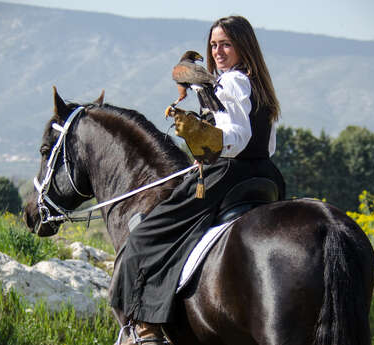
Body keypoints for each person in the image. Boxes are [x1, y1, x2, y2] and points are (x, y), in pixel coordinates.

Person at [112, 15, 285, 345]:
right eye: (214, 44)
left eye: (226, 44)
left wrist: (208, 141)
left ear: (242, 46)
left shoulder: (230, 82)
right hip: (265, 175)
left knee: (145, 236)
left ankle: (146, 327)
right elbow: (268, 144)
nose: (218, 51)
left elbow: (239, 135)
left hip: (226, 174)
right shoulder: (259, 84)